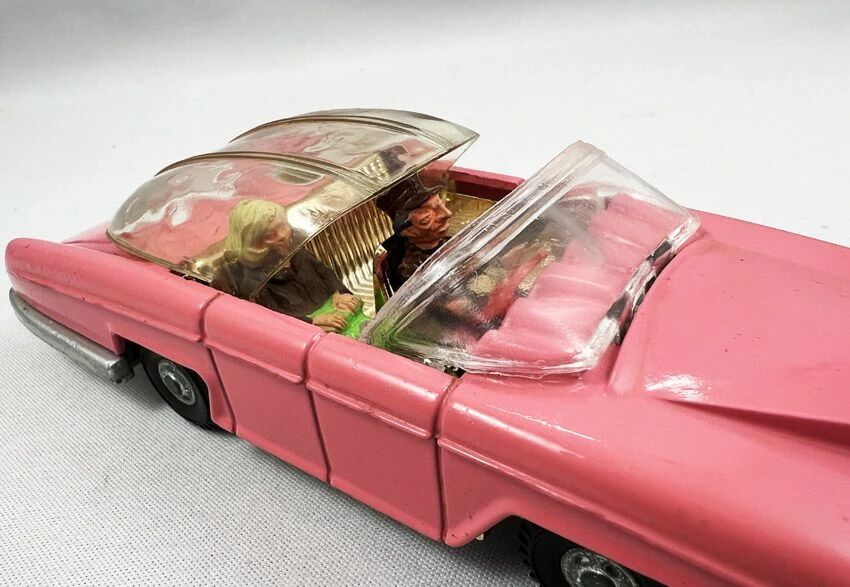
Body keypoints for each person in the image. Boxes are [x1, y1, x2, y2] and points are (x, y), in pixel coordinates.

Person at [210, 199, 362, 333]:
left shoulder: (294, 252)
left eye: (282, 226)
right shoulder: (248, 281)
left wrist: (338, 293)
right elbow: (270, 319)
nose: (282, 236)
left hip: (333, 311)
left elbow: (324, 272)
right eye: (271, 235)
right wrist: (310, 322)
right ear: (255, 243)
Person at [375, 176, 453, 292]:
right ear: (408, 231)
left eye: (442, 205)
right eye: (426, 219)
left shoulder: (450, 242)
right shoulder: (413, 268)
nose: (447, 214)